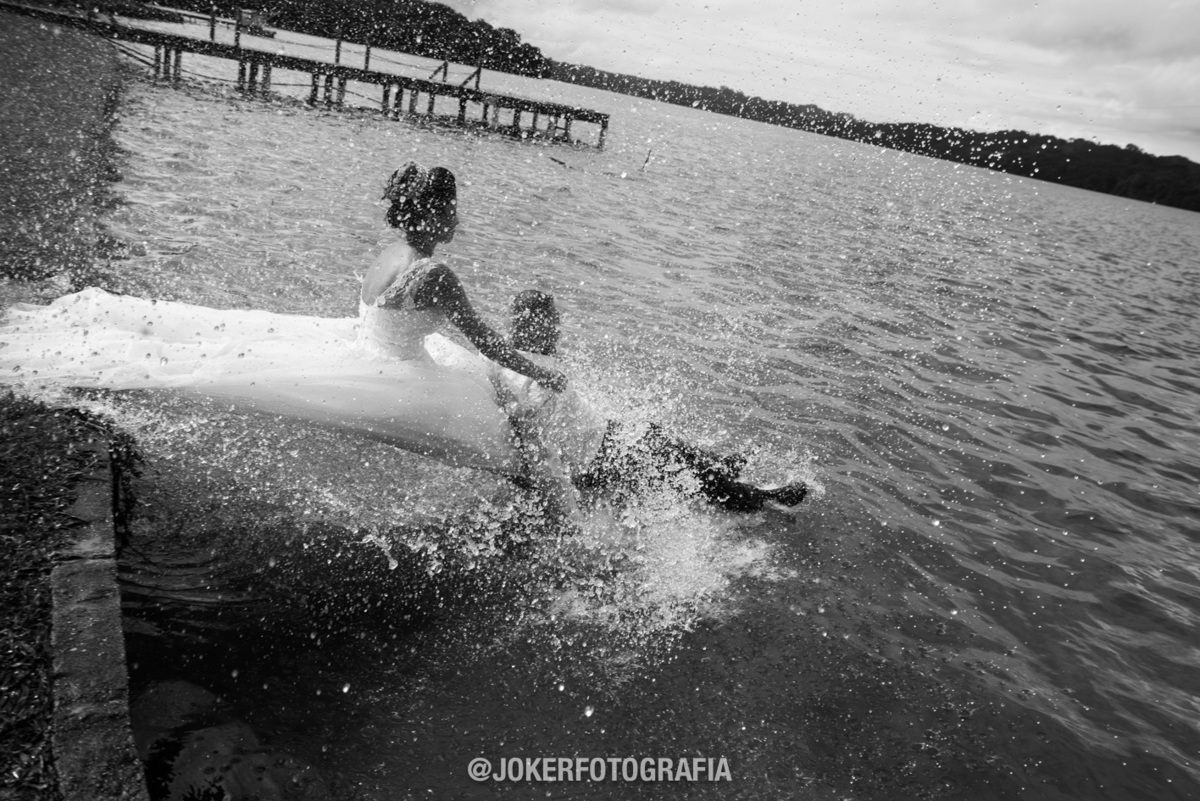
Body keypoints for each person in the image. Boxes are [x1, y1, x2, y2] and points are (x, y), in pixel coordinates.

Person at [0, 163, 562, 475]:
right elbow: (490, 344)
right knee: (502, 440)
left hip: (369, 354)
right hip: (400, 375)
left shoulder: (389, 254)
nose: (459, 219)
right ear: (436, 214)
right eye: (454, 209)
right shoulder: (436, 273)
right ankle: (551, 511)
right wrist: (547, 373)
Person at [489, 290, 808, 513]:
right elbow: (529, 433)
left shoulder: (517, 358)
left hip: (599, 441)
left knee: (654, 434)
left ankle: (718, 466)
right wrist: (552, 484)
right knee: (672, 457)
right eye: (552, 322)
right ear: (534, 324)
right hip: (594, 458)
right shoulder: (528, 378)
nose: (558, 329)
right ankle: (757, 500)